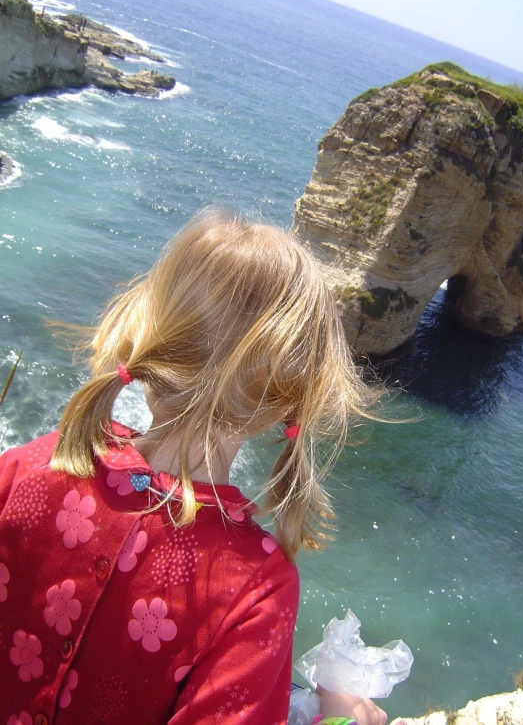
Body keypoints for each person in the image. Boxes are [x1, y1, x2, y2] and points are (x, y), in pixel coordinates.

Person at [0, 209, 390, 724]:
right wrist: (341, 719)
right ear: (283, 405)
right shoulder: (256, 588)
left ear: (151, 341)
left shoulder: (29, 466)